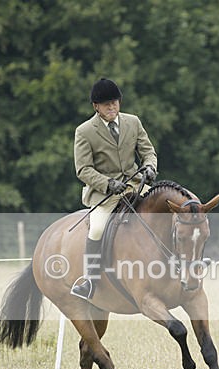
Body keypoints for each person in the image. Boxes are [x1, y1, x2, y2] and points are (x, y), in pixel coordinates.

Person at [70, 78, 158, 300]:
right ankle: (90, 281)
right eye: (106, 104)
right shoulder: (84, 131)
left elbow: (148, 151)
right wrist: (107, 183)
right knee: (97, 228)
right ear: (96, 107)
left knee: (163, 211)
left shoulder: (133, 122)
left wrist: (149, 166)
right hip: (105, 194)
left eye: (114, 102)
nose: (111, 107)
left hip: (136, 185)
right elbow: (83, 169)